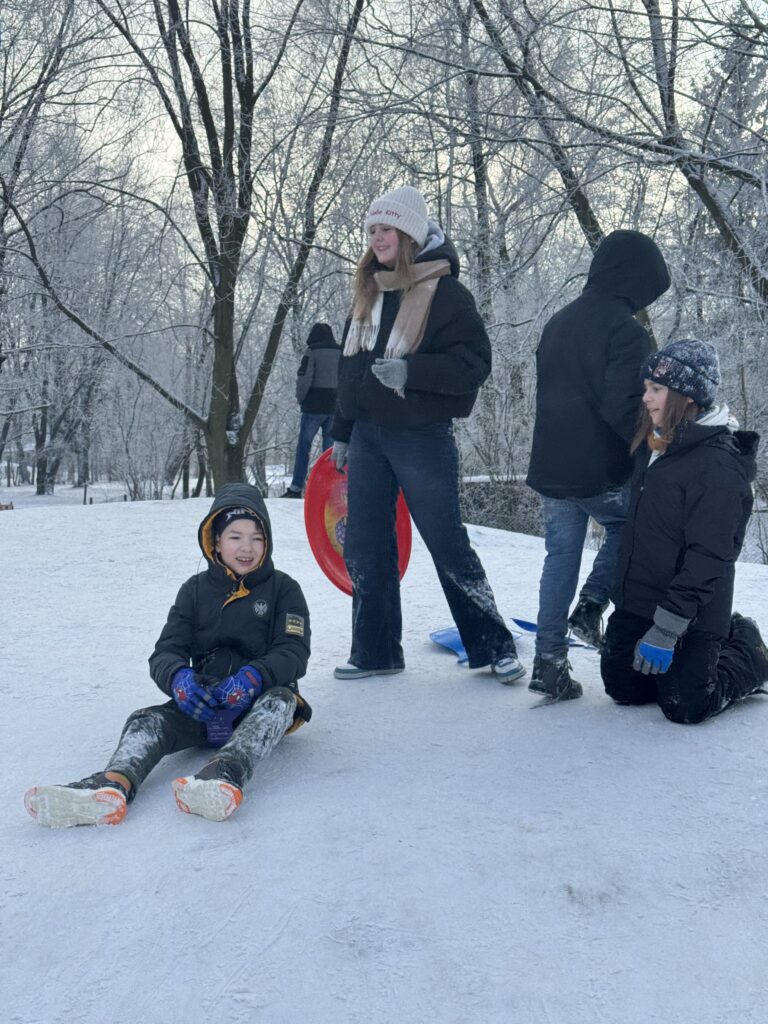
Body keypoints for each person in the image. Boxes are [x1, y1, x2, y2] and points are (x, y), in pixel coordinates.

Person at [24, 484, 312, 826]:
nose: (246, 547)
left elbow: (294, 650)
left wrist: (254, 677)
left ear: (268, 542)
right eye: (235, 537)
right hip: (204, 704)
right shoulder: (194, 591)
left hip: (259, 698)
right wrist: (178, 678)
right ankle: (112, 785)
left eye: (257, 538)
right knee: (146, 720)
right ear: (216, 541)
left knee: (281, 701)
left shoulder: (284, 589)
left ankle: (224, 774)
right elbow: (166, 651)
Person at [329, 184, 522, 683]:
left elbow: (475, 363)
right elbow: (349, 369)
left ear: (409, 233)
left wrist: (411, 373)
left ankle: (492, 644)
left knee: (445, 540)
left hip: (421, 438)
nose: (377, 238)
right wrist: (342, 431)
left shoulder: (447, 293)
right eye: (372, 230)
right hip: (369, 437)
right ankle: (375, 653)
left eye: (386, 228)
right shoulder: (369, 292)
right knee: (366, 545)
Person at [526, 230, 671, 701]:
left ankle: (548, 662)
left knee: (559, 558)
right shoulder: (625, 330)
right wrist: (657, 440)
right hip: (600, 467)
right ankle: (591, 606)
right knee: (633, 526)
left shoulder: (558, 322)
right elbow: (625, 405)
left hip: (552, 464)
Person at [600, 339, 767, 722]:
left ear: (686, 396)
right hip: (641, 601)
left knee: (685, 705)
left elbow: (710, 557)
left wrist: (669, 627)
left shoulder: (717, 466)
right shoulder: (656, 445)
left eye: (656, 389)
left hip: (694, 608)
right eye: (646, 388)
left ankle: (746, 644)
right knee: (624, 689)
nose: (646, 397)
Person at [281, 322, 340, 498]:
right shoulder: (341, 351)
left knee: (303, 447)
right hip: (335, 407)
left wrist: (301, 399)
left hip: (313, 407)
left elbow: (304, 378)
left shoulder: (312, 351)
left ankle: (296, 487)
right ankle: (328, 488)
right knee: (330, 451)